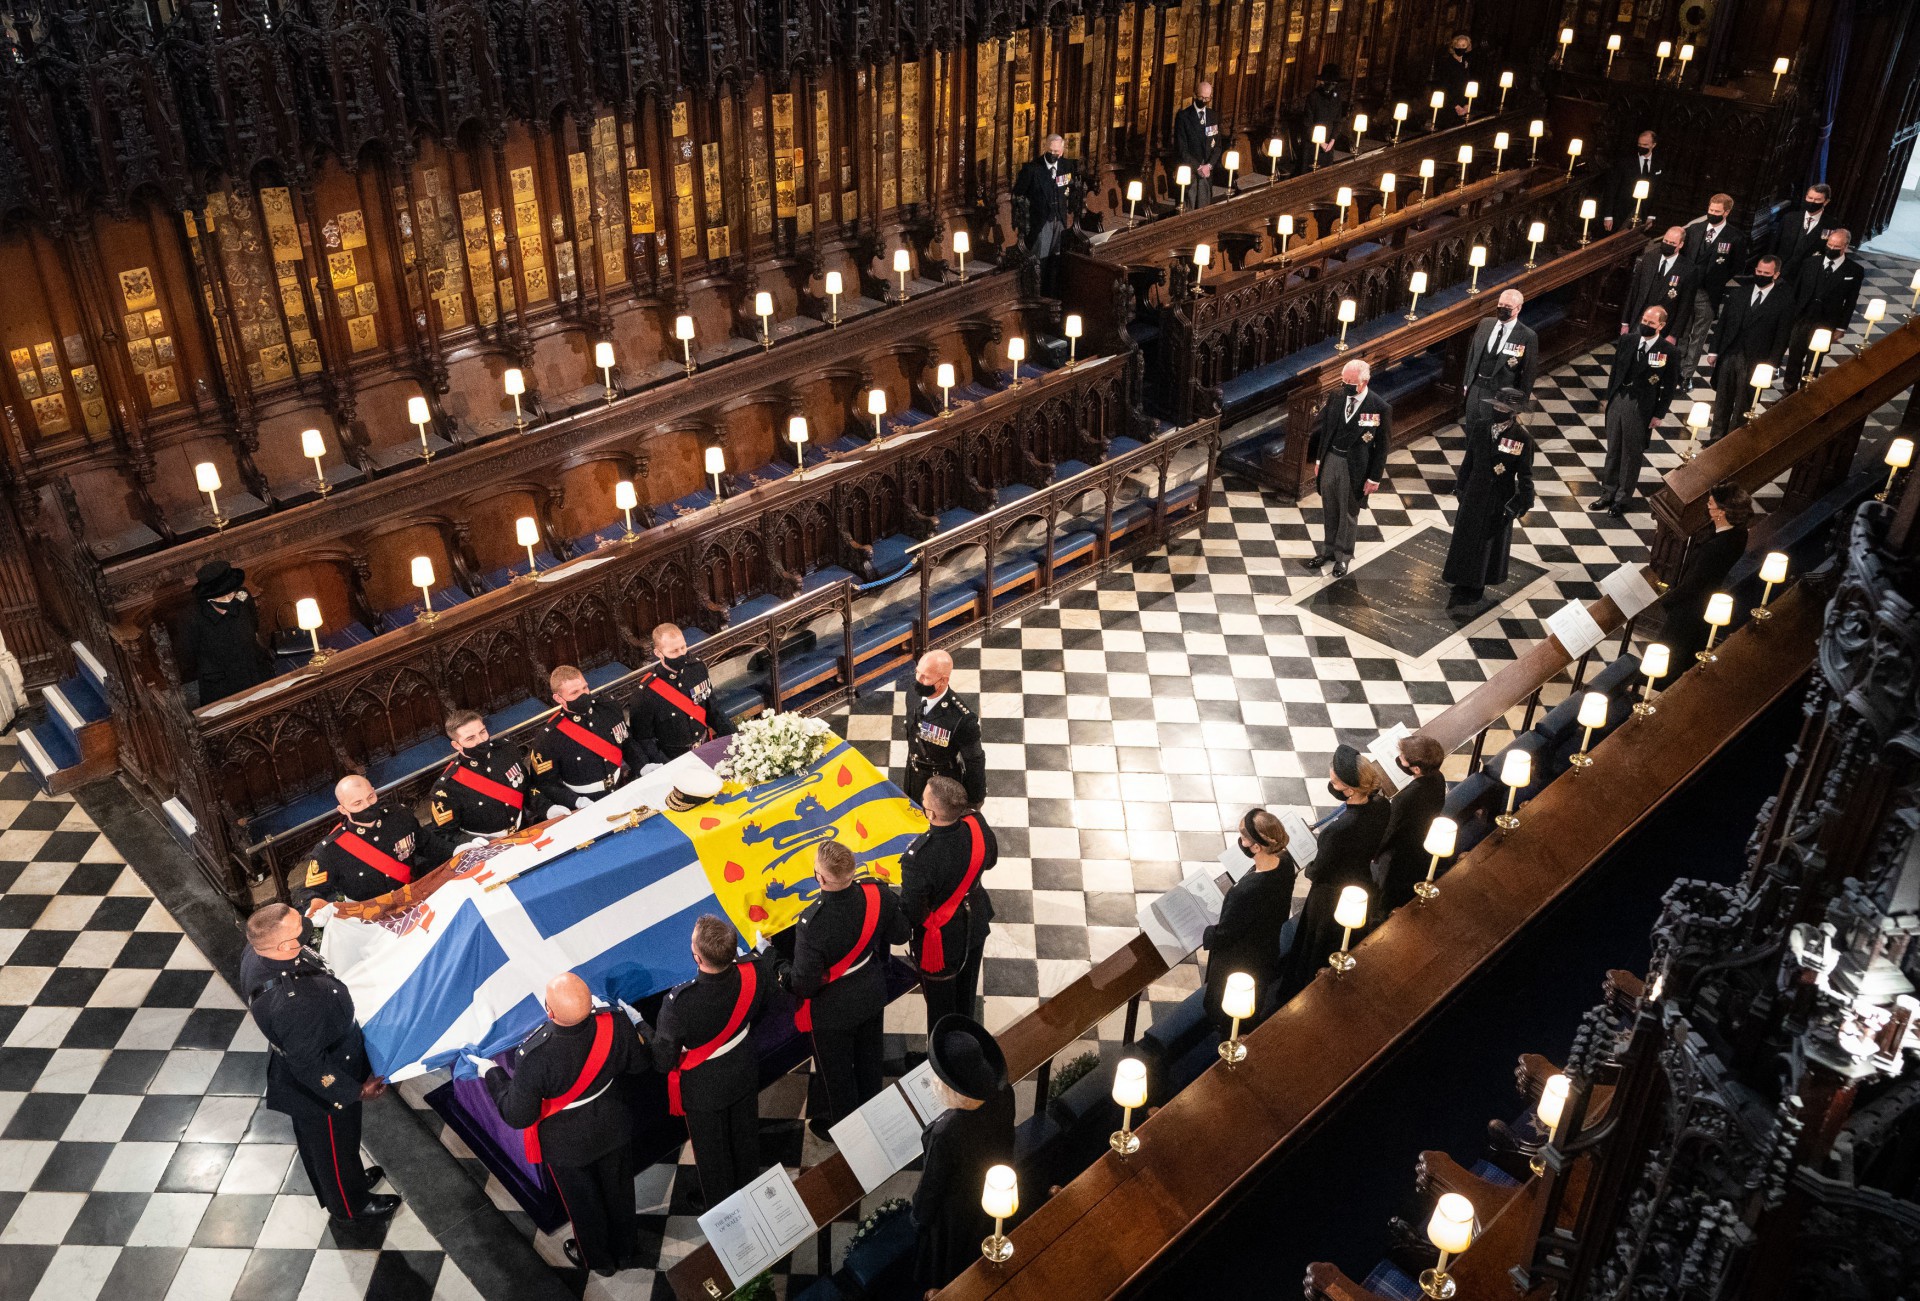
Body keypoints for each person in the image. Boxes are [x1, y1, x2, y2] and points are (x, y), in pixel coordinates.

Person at [474, 974, 647, 1277]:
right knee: (620, 1191)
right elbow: (639, 1064)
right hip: (612, 1122)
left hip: (567, 1143)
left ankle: (599, 1261)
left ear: (549, 1013)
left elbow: (518, 1115)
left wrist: (492, 1074)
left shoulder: (534, 1055)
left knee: (584, 1205)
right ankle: (626, 1249)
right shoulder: (615, 1024)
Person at [240, 903, 400, 1225]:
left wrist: (323, 912)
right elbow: (311, 1068)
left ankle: (348, 1180)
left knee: (333, 1145)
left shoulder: (257, 950)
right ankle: (349, 1205)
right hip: (321, 1087)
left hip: (314, 1053)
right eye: (301, 927)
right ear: (285, 946)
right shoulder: (296, 1003)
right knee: (334, 1149)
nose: (308, 925)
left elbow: (301, 930)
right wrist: (355, 1091)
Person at [781, 840, 908, 1135]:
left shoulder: (811, 924)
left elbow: (803, 984)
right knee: (869, 1060)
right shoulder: (876, 893)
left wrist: (776, 963)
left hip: (832, 1010)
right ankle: (874, 1115)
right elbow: (900, 932)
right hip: (871, 991)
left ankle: (847, 1132)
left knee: (837, 1076)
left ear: (820, 878)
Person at [647, 915, 773, 1207]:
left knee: (711, 1153)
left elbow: (663, 1060)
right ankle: (750, 1190)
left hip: (704, 1089)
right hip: (742, 1068)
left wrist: (642, 1027)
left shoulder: (679, 1003)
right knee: (744, 1138)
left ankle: (722, 1208)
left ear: (697, 957)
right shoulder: (753, 970)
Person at [911, 1015, 1016, 1294]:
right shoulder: (1005, 1094)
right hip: (992, 1195)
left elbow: (930, 1192)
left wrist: (917, 1219)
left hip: (955, 1222)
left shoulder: (946, 1133)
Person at [1277, 747, 1391, 1001]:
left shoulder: (1337, 831)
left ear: (1348, 790)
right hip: (1360, 880)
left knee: (1315, 948)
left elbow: (1318, 871)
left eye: (1334, 782)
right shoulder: (1382, 805)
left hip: (1329, 896)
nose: (1331, 785)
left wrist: (1309, 865)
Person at [900, 776, 997, 1029]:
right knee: (966, 995)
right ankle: (965, 1044)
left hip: (941, 942)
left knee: (941, 1011)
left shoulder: (918, 858)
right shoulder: (976, 823)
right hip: (975, 920)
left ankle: (943, 1059)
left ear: (930, 813)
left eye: (923, 801)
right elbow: (991, 859)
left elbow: (913, 911)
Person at [1203, 809, 1296, 1033]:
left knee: (1228, 1011)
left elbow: (1226, 934)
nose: (1241, 843)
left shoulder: (1245, 892)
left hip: (1239, 960)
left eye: (1244, 838)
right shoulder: (1285, 862)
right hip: (1266, 949)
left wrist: (1208, 934)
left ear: (1256, 846)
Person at [1444, 389, 1535, 607]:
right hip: (1474, 493)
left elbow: (1525, 475)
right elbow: (1469, 460)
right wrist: (1460, 487)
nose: (1498, 411)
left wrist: (1522, 503)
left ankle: (1476, 585)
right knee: (1465, 538)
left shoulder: (1521, 438)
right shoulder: (1481, 427)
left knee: (1485, 545)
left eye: (1503, 409)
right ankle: (1460, 580)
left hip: (1497, 499)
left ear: (1513, 413)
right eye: (1496, 407)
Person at [1305, 358, 1391, 578]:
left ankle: (1343, 557)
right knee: (1330, 507)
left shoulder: (1379, 407)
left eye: (1351, 382)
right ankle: (1328, 550)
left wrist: (1374, 477)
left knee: (1348, 513)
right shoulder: (1336, 397)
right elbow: (1325, 431)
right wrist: (1318, 461)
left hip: (1355, 467)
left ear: (1364, 382)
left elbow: (1382, 446)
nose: (1346, 386)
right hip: (1331, 458)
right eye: (1344, 381)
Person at [293, 775, 431, 910]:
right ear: (343, 809)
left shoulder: (400, 816)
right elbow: (309, 892)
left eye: (371, 797)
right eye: (357, 803)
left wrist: (453, 854)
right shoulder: (329, 850)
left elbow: (428, 843)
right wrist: (315, 905)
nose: (367, 805)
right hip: (369, 917)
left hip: (412, 900)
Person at [1659, 481, 1753, 672]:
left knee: (1671, 656)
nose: (1707, 506)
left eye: (1711, 504)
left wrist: (1667, 600)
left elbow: (1693, 584)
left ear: (1721, 512)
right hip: (1705, 601)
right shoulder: (1739, 533)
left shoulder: (1715, 547)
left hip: (1690, 608)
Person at [1595, 305, 1680, 516]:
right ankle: (1607, 493)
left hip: (1641, 405)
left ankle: (1622, 500)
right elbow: (1615, 370)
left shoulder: (1669, 351)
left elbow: (1669, 386)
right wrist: (1609, 397)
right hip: (1619, 398)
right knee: (1613, 448)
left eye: (1651, 323)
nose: (1645, 325)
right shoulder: (1628, 340)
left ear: (1661, 325)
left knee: (1631, 454)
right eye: (1644, 321)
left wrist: (1659, 414)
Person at [1455, 289, 1539, 491]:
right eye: (1500, 305)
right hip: (1476, 388)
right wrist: (1467, 383)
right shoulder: (1485, 324)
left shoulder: (1526, 336)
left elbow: (1528, 374)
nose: (1502, 310)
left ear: (1518, 309)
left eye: (1508, 308)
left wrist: (1518, 403)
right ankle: (1467, 480)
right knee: (1473, 433)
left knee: (1492, 439)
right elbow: (1473, 354)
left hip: (1499, 397)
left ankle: (1487, 481)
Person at [1702, 256, 1793, 441]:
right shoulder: (1739, 294)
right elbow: (1723, 324)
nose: (1760, 275)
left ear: (1776, 274)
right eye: (1758, 272)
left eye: (1766, 273)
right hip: (1730, 352)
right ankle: (1716, 437)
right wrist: (1713, 351)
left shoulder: (1783, 301)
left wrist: (1772, 365)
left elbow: (1781, 337)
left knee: (1744, 400)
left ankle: (1733, 439)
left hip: (1756, 359)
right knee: (1723, 398)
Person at [422, 710, 532, 861]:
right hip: (486, 850)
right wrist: (469, 842)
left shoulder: (506, 751)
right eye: (470, 738)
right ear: (457, 745)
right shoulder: (447, 787)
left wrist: (547, 807)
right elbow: (444, 833)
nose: (480, 741)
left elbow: (527, 787)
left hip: (525, 832)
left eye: (483, 732)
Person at [624, 622, 735, 770]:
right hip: (674, 761)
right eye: (674, 651)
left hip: (706, 748)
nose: (682, 654)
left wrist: (736, 738)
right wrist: (667, 767)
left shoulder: (697, 669)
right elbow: (644, 740)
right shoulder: (645, 693)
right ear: (658, 654)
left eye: (683, 647)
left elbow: (712, 710)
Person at [530, 664, 629, 817]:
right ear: (558, 699)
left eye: (585, 688)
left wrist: (642, 766)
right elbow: (547, 783)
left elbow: (626, 741)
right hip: (584, 803)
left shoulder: (607, 708)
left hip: (620, 787)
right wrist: (576, 801)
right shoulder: (548, 738)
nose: (584, 695)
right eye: (575, 692)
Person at [1372, 734, 1450, 916]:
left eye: (1401, 758)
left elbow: (1390, 831)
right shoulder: (1438, 777)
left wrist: (1375, 854)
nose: (1398, 759)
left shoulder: (1404, 799)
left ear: (1415, 769)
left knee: (1387, 894)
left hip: (1399, 855)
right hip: (1421, 839)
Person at [1782, 228, 1866, 393]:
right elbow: (1796, 293)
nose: (1831, 248)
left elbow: (1850, 301)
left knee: (1815, 358)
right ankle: (1789, 392)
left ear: (1845, 247)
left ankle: (1807, 392)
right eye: (1829, 244)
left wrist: (1841, 327)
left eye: (1836, 246)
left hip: (1826, 321)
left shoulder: (1854, 271)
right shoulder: (1810, 263)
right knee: (1794, 357)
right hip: (1803, 317)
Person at [903, 650, 987, 807]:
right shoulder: (913, 694)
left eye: (926, 677)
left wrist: (975, 801)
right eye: (917, 673)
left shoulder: (961, 718)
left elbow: (975, 761)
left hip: (940, 785)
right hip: (913, 776)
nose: (918, 680)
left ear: (943, 680)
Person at [184, 559, 269, 705]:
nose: (228, 600)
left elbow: (254, 624)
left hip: (253, 669)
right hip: (221, 684)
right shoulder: (194, 616)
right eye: (221, 597)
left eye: (231, 594)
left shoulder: (242, 595)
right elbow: (189, 654)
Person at [1679, 194, 1748, 375]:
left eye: (1717, 211)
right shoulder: (1694, 230)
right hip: (1687, 289)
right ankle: (1675, 368)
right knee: (1681, 331)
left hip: (1709, 293)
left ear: (1726, 212)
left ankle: (1686, 373)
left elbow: (1737, 265)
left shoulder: (1735, 237)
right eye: (1710, 210)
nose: (1712, 214)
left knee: (1698, 335)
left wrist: (1718, 278)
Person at [1012, 135, 1080, 293]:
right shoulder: (1032, 169)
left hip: (1060, 220)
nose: (1052, 153)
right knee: (1040, 261)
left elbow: (1068, 185)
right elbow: (1018, 194)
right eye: (1050, 150)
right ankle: (1038, 295)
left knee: (1056, 259)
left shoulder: (1067, 165)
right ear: (1045, 148)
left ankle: (1054, 293)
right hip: (1041, 222)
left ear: (1061, 152)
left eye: (1056, 151)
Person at [1621, 227, 1699, 349]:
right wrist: (1625, 322)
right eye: (1666, 241)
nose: (1667, 245)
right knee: (1629, 356)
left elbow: (1685, 306)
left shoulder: (1688, 270)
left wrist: (1673, 335)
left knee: (1655, 364)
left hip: (1664, 329)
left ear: (1680, 244)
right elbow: (1634, 291)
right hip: (1639, 321)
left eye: (1672, 243)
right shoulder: (1649, 258)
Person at [1772, 184, 1835, 287]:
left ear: (1826, 201)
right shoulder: (1789, 218)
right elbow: (1775, 244)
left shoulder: (1831, 225)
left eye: (1817, 200)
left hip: (1805, 277)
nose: (1812, 202)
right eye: (1810, 198)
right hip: (1781, 273)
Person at [1173, 82, 1223, 207]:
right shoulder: (1184, 116)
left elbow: (1217, 146)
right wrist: (1199, 167)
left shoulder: (1213, 116)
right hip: (1191, 172)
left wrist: (1209, 165)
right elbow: (1182, 149)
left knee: (1204, 209)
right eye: (1202, 97)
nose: (1204, 100)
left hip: (1207, 173)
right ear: (1195, 95)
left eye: (1207, 98)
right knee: (1188, 209)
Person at [1602, 130, 1663, 232]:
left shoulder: (1659, 163)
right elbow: (1611, 189)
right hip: (1622, 211)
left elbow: (1657, 191)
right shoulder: (1625, 161)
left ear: (1653, 145)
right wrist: (1608, 216)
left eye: (1645, 145)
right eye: (1639, 144)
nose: (1641, 147)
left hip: (1643, 212)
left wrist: (1651, 216)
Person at [1301, 64, 1350, 168]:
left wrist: (1332, 140)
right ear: (1322, 82)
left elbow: (1338, 121)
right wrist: (1321, 143)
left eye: (1334, 83)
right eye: (1329, 83)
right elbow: (1307, 123)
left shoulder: (1336, 97)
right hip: (1313, 144)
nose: (1331, 86)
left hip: (1328, 144)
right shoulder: (1313, 96)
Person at [1435, 35, 1477, 122]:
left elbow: (1467, 83)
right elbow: (1444, 87)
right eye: (1458, 45)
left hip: (1462, 103)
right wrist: (1456, 106)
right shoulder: (1446, 63)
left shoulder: (1466, 62)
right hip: (1449, 105)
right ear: (1453, 46)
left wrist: (1466, 104)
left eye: (1463, 46)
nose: (1460, 48)